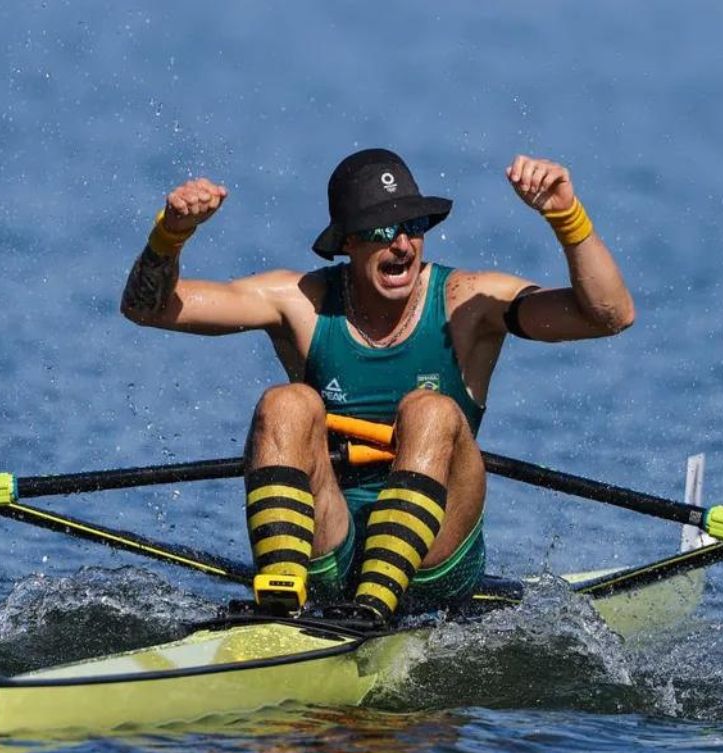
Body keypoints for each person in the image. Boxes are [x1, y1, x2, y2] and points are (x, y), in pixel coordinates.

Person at [120, 149, 634, 626]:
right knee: (286, 402)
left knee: (430, 411)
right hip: (330, 540)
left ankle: (373, 607)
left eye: (414, 226)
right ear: (347, 243)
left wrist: (566, 218)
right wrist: (171, 235)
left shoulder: (469, 303)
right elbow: (149, 309)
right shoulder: (301, 302)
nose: (403, 244)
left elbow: (610, 316)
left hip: (436, 559)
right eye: (383, 228)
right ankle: (280, 595)